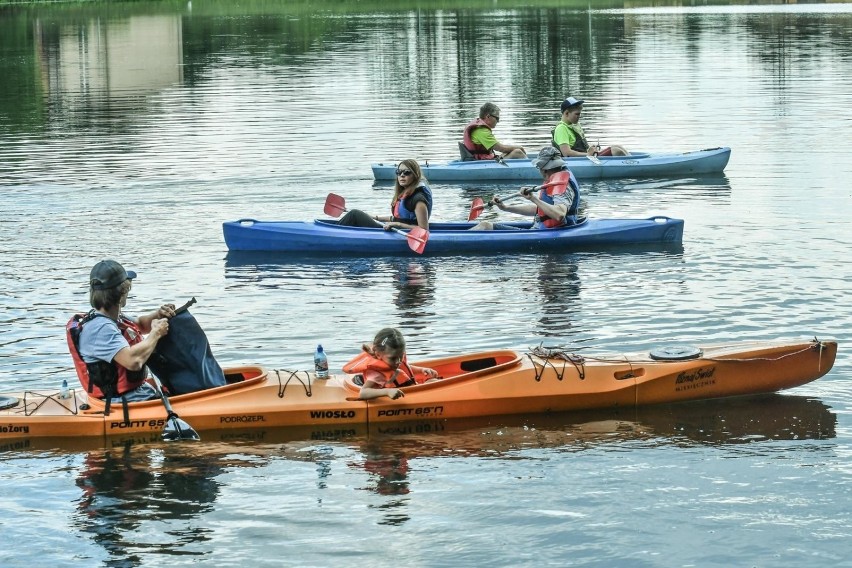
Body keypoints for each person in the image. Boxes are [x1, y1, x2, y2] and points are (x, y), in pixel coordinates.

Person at [470, 146, 580, 231]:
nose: (540, 171)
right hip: (542, 230)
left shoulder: (562, 184)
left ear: (545, 168)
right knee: (485, 226)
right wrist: (506, 207)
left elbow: (559, 214)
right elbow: (539, 210)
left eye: (539, 167)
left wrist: (533, 198)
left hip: (550, 233)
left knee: (485, 226)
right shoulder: (556, 179)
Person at [342, 327, 440, 401]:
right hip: (404, 397)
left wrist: (422, 370)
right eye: (393, 358)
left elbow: (405, 368)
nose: (398, 361)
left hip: (411, 390)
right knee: (435, 386)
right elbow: (363, 393)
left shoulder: (392, 361)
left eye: (401, 356)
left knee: (434, 382)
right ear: (378, 354)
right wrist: (387, 392)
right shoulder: (377, 374)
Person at [337, 159, 432, 230]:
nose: (402, 175)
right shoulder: (406, 194)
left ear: (415, 175)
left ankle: (335, 234)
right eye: (399, 172)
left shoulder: (419, 200)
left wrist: (398, 225)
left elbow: (424, 229)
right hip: (394, 228)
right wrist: (375, 218)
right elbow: (396, 218)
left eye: (407, 172)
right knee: (356, 215)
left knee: (354, 214)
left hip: (397, 232)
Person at [552, 97, 629, 158]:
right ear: (566, 113)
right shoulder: (561, 129)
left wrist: (591, 149)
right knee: (616, 151)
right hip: (577, 161)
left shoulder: (574, 125)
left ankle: (633, 161)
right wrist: (588, 154)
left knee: (617, 147)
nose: (579, 116)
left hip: (585, 158)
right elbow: (566, 153)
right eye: (577, 114)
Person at [461, 102, 527, 161]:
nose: (498, 121)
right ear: (488, 116)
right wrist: (520, 147)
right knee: (518, 152)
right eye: (497, 118)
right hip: (481, 162)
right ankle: (533, 169)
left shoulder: (479, 127)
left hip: (482, 159)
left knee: (509, 152)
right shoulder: (481, 131)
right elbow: (501, 148)